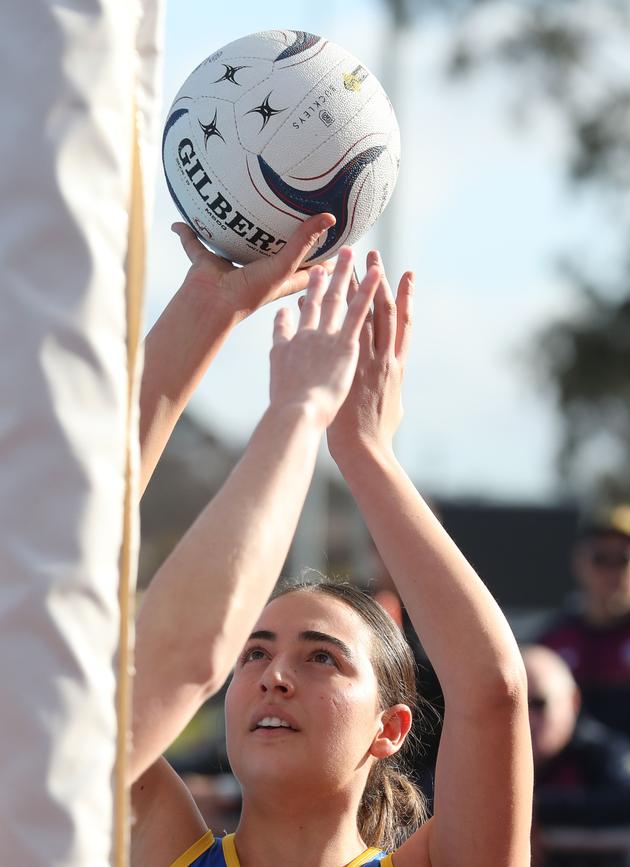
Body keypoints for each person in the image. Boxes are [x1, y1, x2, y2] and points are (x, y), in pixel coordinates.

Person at [130, 215, 533, 867]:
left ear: (390, 726)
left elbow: (491, 688)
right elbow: (55, 575)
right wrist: (203, 309)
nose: (275, 676)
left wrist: (367, 453)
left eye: (323, 657)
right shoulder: (159, 848)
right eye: (253, 653)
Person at [536, 506, 630, 755]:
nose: (611, 572)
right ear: (580, 563)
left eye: (623, 559)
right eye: (601, 558)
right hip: (566, 782)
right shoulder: (552, 642)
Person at [523, 644, 630, 867]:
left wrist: (533, 809)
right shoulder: (481, 759)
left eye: (539, 704)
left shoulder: (599, 752)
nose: (527, 720)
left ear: (573, 702)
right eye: (514, 706)